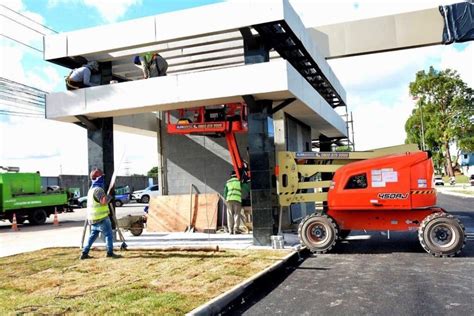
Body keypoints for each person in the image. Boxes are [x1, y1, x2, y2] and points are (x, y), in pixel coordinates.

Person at [80, 168, 121, 259]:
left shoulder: (91, 190)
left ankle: (84, 252)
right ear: (98, 178)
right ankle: (110, 253)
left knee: (92, 236)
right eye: (101, 176)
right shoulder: (98, 190)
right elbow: (103, 201)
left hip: (93, 219)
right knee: (108, 235)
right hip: (102, 218)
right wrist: (110, 195)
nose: (103, 178)